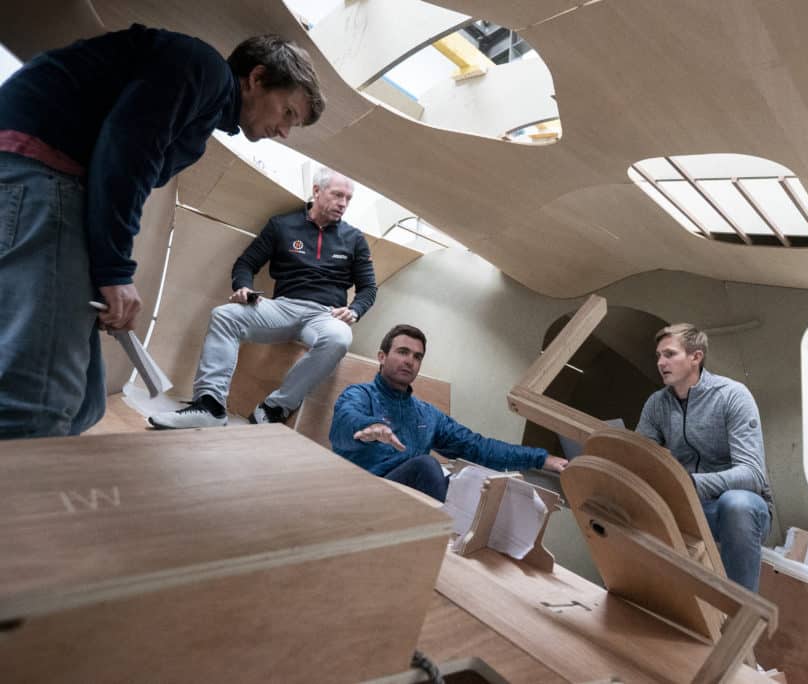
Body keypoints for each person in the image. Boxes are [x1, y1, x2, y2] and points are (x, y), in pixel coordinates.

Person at [0, 25, 325, 439]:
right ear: (257, 78)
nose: (283, 131)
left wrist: (105, 273)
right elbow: (126, 153)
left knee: (84, 400)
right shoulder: (202, 69)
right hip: (41, 171)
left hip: (48, 184)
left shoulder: (203, 109)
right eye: (288, 113)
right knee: (39, 403)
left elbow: (125, 166)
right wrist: (115, 272)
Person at [149, 168, 375, 428]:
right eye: (337, 195)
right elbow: (246, 263)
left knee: (339, 337)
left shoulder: (355, 239)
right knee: (224, 315)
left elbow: (368, 288)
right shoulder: (282, 225)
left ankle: (275, 406)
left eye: (348, 198)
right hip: (281, 308)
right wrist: (243, 287)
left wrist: (355, 310)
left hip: (325, 314)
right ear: (316, 191)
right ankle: (209, 406)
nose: (343, 203)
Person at [330, 324, 569, 501]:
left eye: (417, 356)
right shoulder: (360, 394)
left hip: (408, 504)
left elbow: (479, 447)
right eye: (402, 352)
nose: (410, 361)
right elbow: (343, 425)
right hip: (363, 495)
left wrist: (542, 458)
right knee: (425, 465)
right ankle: (451, 541)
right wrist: (371, 427)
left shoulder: (427, 415)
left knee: (476, 484)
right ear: (382, 357)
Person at [636, 323, 774, 592]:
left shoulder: (733, 396)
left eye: (669, 354)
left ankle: (739, 616)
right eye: (658, 356)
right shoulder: (656, 404)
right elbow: (642, 458)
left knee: (736, 504)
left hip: (740, 510)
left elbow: (752, 475)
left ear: (695, 357)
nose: (661, 362)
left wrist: (689, 482)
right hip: (686, 504)